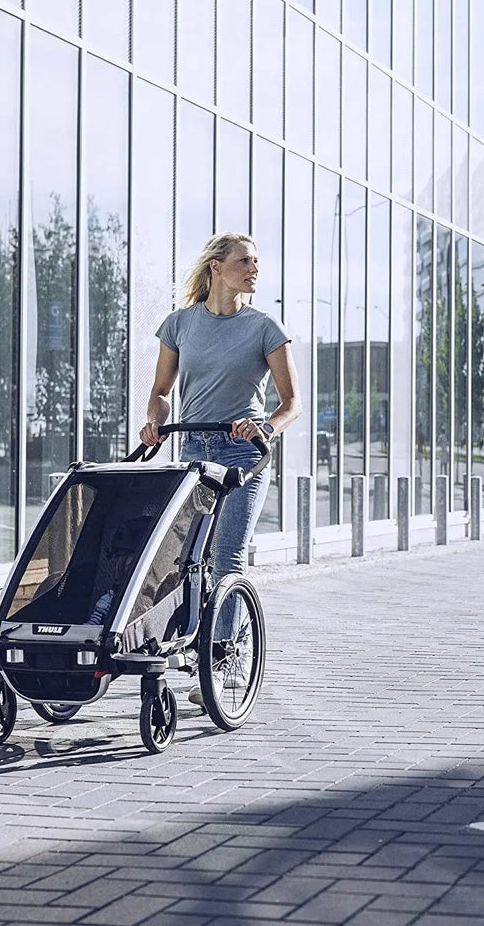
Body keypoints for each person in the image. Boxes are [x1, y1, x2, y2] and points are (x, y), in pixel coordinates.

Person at [139, 232, 301, 705]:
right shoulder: (180, 325)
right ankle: (183, 640)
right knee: (186, 556)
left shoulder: (265, 328)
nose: (254, 268)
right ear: (216, 266)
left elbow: (292, 403)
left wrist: (265, 428)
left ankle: (222, 656)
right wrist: (153, 421)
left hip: (241, 455)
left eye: (256, 261)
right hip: (192, 449)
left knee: (229, 552)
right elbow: (162, 392)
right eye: (245, 260)